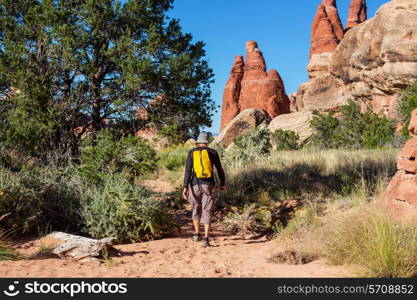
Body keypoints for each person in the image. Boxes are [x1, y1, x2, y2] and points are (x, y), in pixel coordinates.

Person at [182, 132, 226, 247]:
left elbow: (188, 170)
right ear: (207, 142)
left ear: (198, 142)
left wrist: (185, 186)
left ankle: (197, 234)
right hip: (209, 185)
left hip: (194, 184)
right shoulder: (212, 152)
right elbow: (219, 169)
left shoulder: (192, 152)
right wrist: (223, 183)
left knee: (195, 208)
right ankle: (206, 239)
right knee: (207, 210)